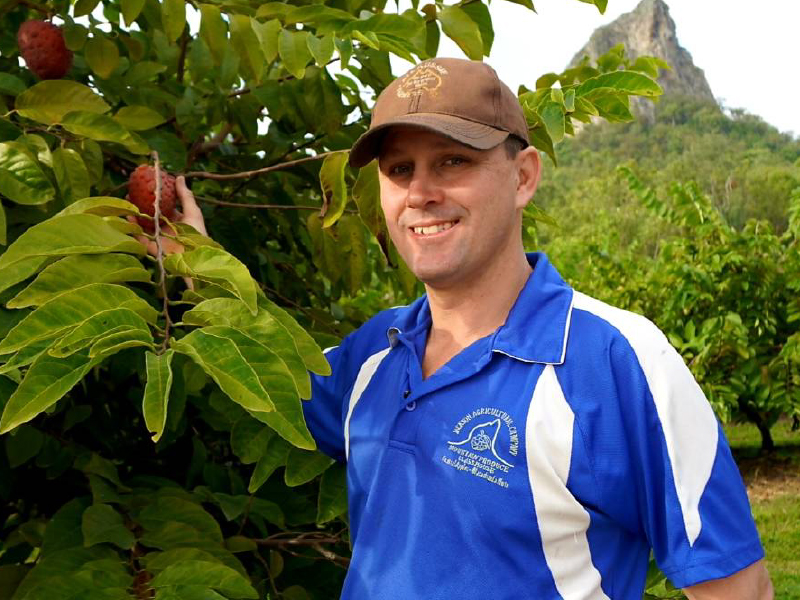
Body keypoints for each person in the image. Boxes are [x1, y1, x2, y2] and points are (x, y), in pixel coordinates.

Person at [173, 58, 773, 599]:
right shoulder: (373, 354)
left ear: (523, 177)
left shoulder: (617, 362)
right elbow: (263, 367)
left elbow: (737, 589)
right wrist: (196, 262)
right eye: (399, 168)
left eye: (453, 160)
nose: (420, 193)